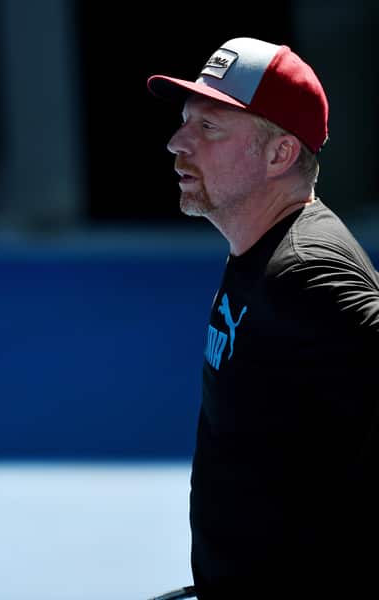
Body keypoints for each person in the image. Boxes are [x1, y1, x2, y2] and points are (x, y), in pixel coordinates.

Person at [147, 38, 379, 598]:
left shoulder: (307, 272)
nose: (178, 142)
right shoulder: (261, 251)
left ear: (279, 155)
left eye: (209, 128)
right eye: (185, 122)